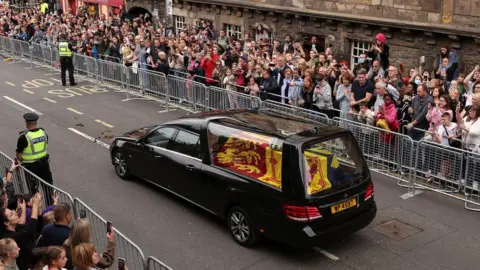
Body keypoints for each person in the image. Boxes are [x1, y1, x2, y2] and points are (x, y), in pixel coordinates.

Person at [16, 113, 54, 206]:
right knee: (48, 189)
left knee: (34, 191)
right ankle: (51, 210)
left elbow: (19, 155)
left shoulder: (24, 137)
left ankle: (36, 212)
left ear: (26, 122)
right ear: (36, 122)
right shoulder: (43, 133)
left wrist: (21, 161)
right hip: (44, 164)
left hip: (30, 167)